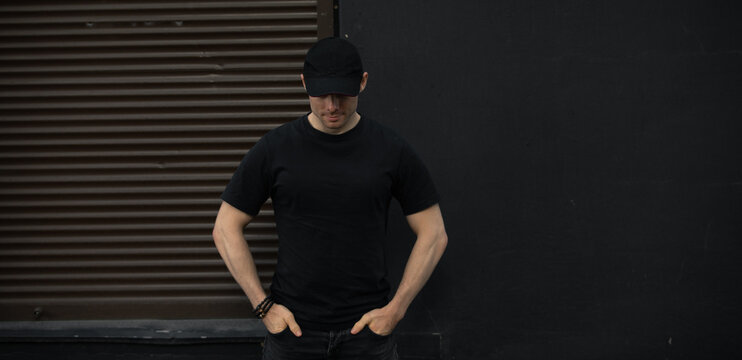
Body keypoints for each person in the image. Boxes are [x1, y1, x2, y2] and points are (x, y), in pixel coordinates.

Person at [213, 37, 448, 360]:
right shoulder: (275, 148)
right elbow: (225, 227)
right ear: (304, 83)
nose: (332, 105)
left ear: (362, 83)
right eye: (321, 93)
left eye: (343, 93)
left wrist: (395, 310)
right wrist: (263, 306)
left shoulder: (390, 149)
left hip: (368, 337)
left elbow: (434, 233)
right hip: (293, 335)